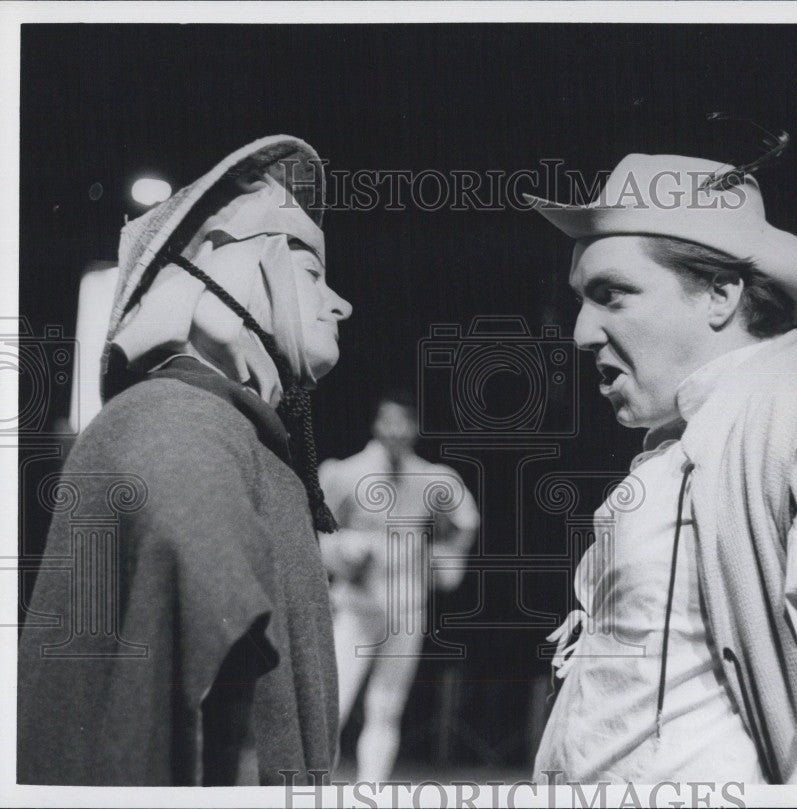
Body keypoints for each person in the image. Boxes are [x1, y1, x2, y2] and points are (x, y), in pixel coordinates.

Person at [525, 154, 797, 785]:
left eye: (612, 295)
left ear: (720, 294)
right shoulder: (683, 445)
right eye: (580, 300)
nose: (580, 333)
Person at [18, 135, 352, 785]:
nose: (340, 303)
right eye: (312, 273)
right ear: (231, 272)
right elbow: (213, 710)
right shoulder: (181, 425)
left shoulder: (204, 427)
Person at [318, 391, 479, 782]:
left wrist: (443, 559)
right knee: (331, 704)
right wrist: (342, 548)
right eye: (389, 422)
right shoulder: (345, 473)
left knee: (386, 707)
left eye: (404, 423)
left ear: (415, 428)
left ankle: (370, 791)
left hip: (405, 607)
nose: (396, 431)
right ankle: (312, 787)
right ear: (376, 425)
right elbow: (315, 532)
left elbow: (465, 523)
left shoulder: (431, 478)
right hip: (357, 603)